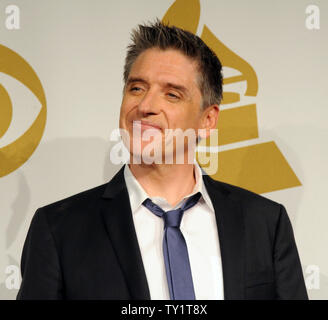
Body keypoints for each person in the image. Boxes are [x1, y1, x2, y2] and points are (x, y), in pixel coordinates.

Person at [17, 20, 308, 300]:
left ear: (207, 120)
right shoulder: (59, 230)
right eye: (136, 88)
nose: (145, 106)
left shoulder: (265, 224)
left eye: (172, 94)